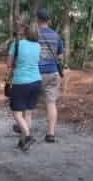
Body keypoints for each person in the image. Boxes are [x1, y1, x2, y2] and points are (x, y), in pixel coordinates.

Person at [7, 13, 42, 151]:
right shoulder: (37, 46)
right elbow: (35, 61)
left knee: (17, 114)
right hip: (36, 82)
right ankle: (23, 142)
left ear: (24, 30)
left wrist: (16, 62)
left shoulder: (16, 44)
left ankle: (27, 136)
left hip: (21, 82)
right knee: (28, 113)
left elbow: (9, 64)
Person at [36, 9, 64, 142]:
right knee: (51, 103)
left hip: (36, 73)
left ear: (37, 20)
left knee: (28, 102)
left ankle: (24, 127)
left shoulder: (33, 35)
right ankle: (51, 133)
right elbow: (60, 56)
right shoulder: (56, 35)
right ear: (48, 20)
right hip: (53, 73)